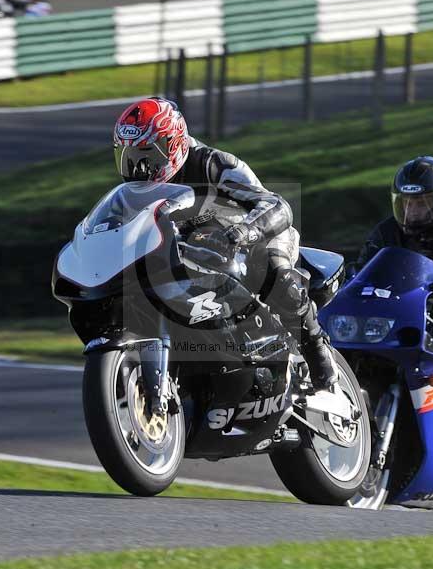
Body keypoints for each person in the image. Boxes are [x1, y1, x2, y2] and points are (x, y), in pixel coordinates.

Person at [113, 96, 337, 391]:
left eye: (146, 157)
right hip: (189, 255)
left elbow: (276, 206)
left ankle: (318, 352)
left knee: (271, 264)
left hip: (250, 237)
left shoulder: (213, 165)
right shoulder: (133, 193)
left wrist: (244, 232)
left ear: (173, 144)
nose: (139, 169)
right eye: (127, 158)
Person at [356, 155, 433, 340]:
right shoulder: (386, 233)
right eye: (407, 203)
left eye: (421, 203)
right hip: (393, 325)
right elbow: (361, 275)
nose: (411, 211)